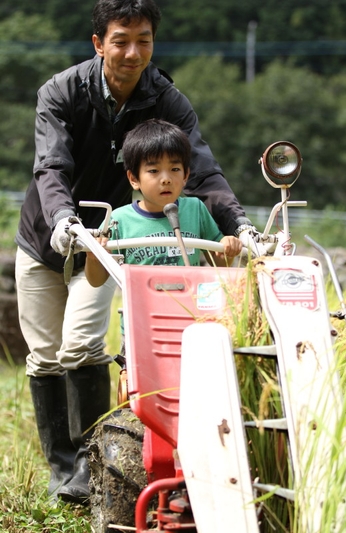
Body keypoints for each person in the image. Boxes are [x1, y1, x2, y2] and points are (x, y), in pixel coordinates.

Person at [14, 0, 257, 506]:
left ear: (152, 42)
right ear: (99, 43)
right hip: (47, 237)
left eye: (143, 39)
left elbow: (204, 171)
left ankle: (88, 464)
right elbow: (51, 167)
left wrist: (239, 223)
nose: (132, 52)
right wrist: (63, 221)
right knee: (43, 359)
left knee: (80, 346)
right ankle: (61, 465)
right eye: (120, 40)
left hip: (111, 240)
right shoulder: (60, 92)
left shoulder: (166, 98)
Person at [85, 119, 243, 288]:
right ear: (134, 179)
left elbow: (219, 263)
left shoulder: (195, 209)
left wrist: (228, 247)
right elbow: (96, 281)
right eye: (154, 171)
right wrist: (93, 258)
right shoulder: (118, 220)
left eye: (174, 169)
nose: (166, 179)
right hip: (141, 312)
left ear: (185, 175)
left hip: (190, 310)